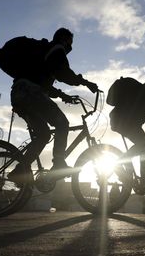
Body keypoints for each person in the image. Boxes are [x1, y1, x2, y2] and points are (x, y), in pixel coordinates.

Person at [7, 28, 99, 184]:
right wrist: (85, 82)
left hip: (19, 94)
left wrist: (63, 96)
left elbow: (43, 83)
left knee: (44, 134)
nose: (71, 46)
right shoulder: (57, 49)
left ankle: (20, 170)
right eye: (70, 42)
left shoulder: (44, 54)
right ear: (64, 39)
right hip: (31, 92)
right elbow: (63, 73)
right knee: (62, 123)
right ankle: (58, 163)